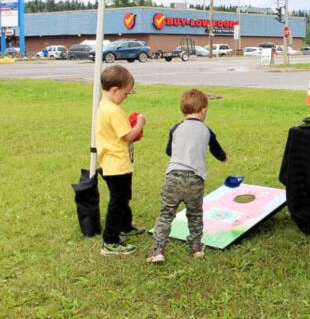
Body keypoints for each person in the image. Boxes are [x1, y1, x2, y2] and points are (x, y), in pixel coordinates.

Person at [146, 88, 228, 263]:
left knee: (166, 214)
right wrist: (224, 157)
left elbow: (169, 150)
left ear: (183, 110)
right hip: (195, 179)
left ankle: (158, 249)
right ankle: (197, 247)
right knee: (195, 214)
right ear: (204, 110)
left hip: (173, 177)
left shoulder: (176, 128)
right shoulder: (207, 131)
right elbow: (217, 151)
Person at [95, 64, 146, 256]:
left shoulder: (105, 105)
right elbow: (128, 136)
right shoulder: (113, 111)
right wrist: (140, 123)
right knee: (118, 200)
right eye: (126, 93)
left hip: (110, 162)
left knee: (123, 197)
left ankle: (125, 225)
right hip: (117, 165)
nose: (126, 97)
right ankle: (110, 240)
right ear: (115, 90)